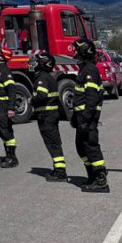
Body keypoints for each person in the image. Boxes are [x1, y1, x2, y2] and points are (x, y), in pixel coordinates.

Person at [70, 37, 108, 193]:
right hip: (82, 116)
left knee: (91, 146)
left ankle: (101, 180)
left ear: (84, 51)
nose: (74, 52)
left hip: (88, 118)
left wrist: (85, 119)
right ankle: (92, 175)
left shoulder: (90, 70)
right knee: (81, 147)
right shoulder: (84, 69)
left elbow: (91, 99)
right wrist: (75, 117)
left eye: (77, 49)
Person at [29, 52, 67, 181]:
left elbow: (41, 96)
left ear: (43, 64)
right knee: (54, 143)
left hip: (46, 116)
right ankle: (59, 169)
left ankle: (60, 172)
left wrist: (31, 100)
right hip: (50, 115)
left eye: (37, 61)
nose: (34, 64)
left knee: (52, 144)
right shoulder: (49, 77)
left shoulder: (42, 78)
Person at [0, 48, 19, 168]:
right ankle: (8, 156)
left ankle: (12, 158)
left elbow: (12, 90)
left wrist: (11, 108)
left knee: (5, 130)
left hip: (3, 105)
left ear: (1, 57)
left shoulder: (4, 71)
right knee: (1, 130)